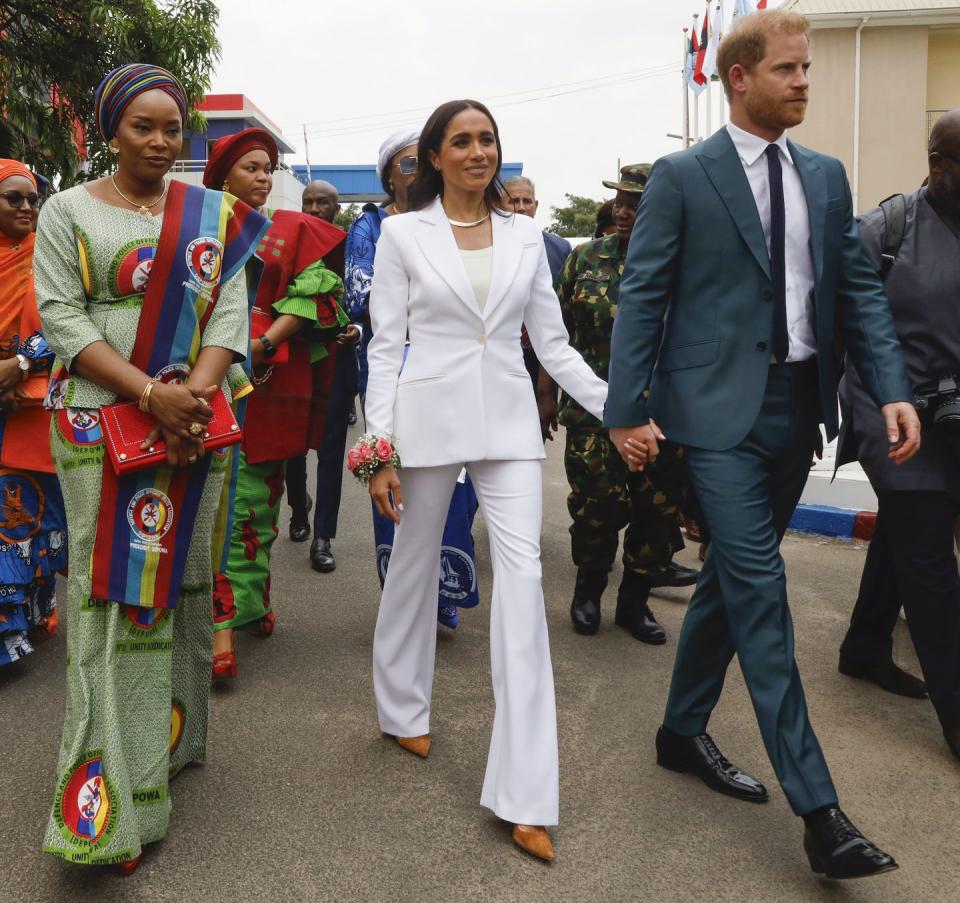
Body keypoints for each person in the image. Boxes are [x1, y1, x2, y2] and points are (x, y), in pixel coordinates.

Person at [603, 10, 920, 880]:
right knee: (762, 591)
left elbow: (858, 292)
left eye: (808, 68)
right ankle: (821, 812)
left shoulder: (825, 175)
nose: (805, 82)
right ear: (737, 77)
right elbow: (643, 295)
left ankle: (680, 729)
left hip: (799, 411)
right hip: (714, 419)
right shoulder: (683, 176)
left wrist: (890, 388)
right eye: (789, 69)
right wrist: (626, 408)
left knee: (730, 586)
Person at [34, 64, 267, 870]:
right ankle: (107, 801)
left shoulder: (215, 214)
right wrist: (150, 397)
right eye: (144, 126)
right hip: (99, 424)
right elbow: (60, 315)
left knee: (180, 585)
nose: (162, 141)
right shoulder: (65, 211)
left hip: (193, 428)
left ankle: (166, 747)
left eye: (173, 127)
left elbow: (227, 312)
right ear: (111, 130)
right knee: (112, 592)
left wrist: (191, 401)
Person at [362, 99, 607, 862]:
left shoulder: (529, 234)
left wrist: (623, 407)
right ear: (434, 155)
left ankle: (525, 794)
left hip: (505, 427)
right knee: (412, 564)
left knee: (524, 587)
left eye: (487, 139)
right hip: (426, 421)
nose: (478, 151)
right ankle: (402, 705)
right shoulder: (403, 234)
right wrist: (378, 449)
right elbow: (384, 346)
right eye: (461, 141)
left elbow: (554, 347)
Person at [837, 107, 960, 762]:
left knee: (905, 533)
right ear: (938, 164)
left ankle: (864, 645)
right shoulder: (889, 227)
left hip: (953, 420)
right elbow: (838, 309)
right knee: (931, 558)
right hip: (890, 411)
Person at [204, 128, 347, 679]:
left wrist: (262, 342)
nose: (264, 177)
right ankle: (215, 616)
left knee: (254, 501)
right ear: (222, 177)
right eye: (251, 168)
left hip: (263, 382)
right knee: (208, 503)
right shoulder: (195, 226)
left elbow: (315, 295)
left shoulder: (290, 230)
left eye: (268, 168)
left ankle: (249, 604)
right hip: (199, 379)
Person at [541, 164, 698, 644]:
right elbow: (555, 335)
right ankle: (587, 592)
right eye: (622, 201)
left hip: (665, 416)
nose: (625, 211)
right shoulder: (584, 260)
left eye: (637, 203)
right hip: (593, 414)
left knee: (657, 514)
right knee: (595, 509)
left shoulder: (687, 264)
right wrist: (545, 392)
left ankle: (634, 603)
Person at [346, 127, 480, 627]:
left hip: (454, 370)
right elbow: (360, 294)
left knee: (457, 478)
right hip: (393, 371)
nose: (417, 173)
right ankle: (406, 593)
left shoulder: (455, 220)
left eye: (421, 162)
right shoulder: (372, 226)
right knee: (398, 475)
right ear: (387, 176)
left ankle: (445, 584)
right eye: (406, 165)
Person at [0, 159, 66, 666]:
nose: (27, 207)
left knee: (25, 517)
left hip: (30, 406)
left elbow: (68, 317)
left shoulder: (49, 254)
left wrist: (20, 363)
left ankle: (27, 614)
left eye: (32, 199)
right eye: (14, 198)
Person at [284, 179, 362, 567]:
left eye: (323, 203)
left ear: (336, 207)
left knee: (330, 449)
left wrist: (357, 327)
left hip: (336, 357)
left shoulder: (352, 247)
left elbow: (368, 298)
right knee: (293, 445)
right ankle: (299, 508)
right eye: (308, 202)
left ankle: (323, 538)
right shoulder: (289, 242)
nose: (314, 210)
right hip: (296, 357)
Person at [500, 175, 571, 387]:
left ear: (536, 205)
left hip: (545, 355)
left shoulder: (559, 248)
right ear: (497, 204)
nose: (521, 208)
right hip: (503, 354)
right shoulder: (486, 244)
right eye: (513, 201)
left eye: (527, 201)